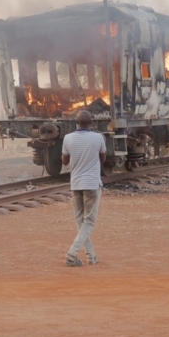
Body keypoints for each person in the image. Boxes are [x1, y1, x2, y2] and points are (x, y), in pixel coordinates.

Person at [61, 110, 107, 267]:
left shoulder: (68, 138)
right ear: (91, 122)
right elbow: (103, 158)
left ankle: (91, 255)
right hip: (92, 184)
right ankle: (71, 254)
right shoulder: (98, 137)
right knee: (89, 221)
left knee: (81, 220)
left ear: (76, 122)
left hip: (76, 184)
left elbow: (65, 162)